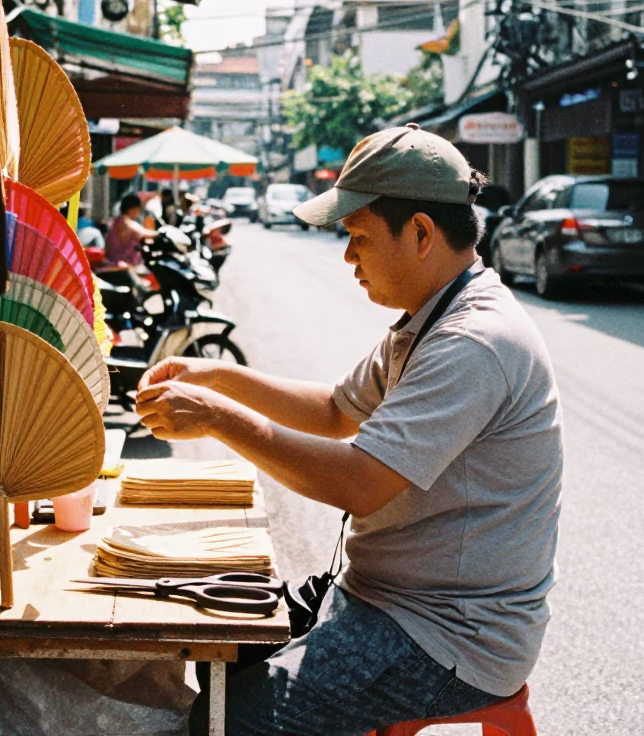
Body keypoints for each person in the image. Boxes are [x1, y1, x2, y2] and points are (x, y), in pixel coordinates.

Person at [135, 123, 563, 735]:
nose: (348, 256)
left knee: (235, 718)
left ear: (418, 233)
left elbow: (359, 483)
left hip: (447, 637)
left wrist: (215, 416)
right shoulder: (426, 321)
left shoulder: (474, 341)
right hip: (386, 601)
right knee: (221, 655)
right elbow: (336, 410)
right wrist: (218, 376)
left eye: (358, 237)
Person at [104, 193, 156, 267]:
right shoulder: (126, 222)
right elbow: (143, 232)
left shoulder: (118, 220)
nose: (139, 212)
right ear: (133, 209)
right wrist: (160, 233)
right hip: (122, 264)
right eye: (139, 209)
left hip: (117, 262)